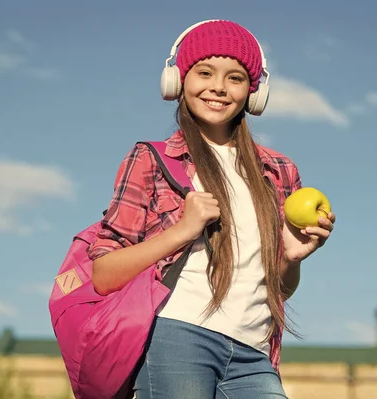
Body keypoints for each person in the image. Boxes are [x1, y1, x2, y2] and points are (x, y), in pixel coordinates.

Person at [87, 19, 336, 399]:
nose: (218, 87)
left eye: (235, 78)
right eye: (205, 72)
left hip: (254, 352)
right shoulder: (151, 159)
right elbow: (103, 275)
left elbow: (280, 290)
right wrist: (182, 231)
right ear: (178, 80)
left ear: (253, 93)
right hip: (176, 338)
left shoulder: (281, 172)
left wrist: (293, 257)